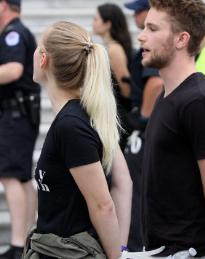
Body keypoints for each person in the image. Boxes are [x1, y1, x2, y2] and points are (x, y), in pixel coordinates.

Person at [138, 0, 205, 258]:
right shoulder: (168, 94)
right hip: (165, 247)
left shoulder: (199, 101)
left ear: (181, 39)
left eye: (152, 28)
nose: (141, 36)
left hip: (192, 250)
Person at [24, 21, 132, 259]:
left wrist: (116, 256)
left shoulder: (71, 126)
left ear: (43, 59)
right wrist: (120, 250)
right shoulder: (84, 114)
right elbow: (123, 182)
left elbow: (103, 205)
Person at [0, 0, 40, 258]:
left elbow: (14, 70)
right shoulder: (16, 31)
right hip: (20, 115)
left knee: (10, 176)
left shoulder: (13, 33)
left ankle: (17, 245)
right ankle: (27, 239)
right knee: (23, 178)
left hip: (15, 116)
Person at [123, 0, 164, 252]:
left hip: (148, 127)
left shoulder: (153, 45)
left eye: (140, 11)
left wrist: (143, 123)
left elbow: (155, 83)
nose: (136, 17)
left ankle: (138, 247)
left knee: (137, 191)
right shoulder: (146, 44)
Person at [92, 3, 133, 149]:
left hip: (118, 115)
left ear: (107, 24)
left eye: (96, 19)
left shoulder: (114, 50)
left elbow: (127, 89)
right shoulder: (109, 48)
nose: (93, 23)